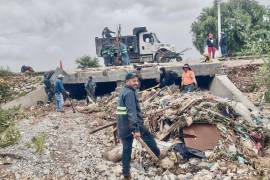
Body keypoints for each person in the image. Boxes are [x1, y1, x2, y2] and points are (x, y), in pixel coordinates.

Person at [117, 72, 162, 179]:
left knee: (127, 149)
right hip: (134, 125)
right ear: (127, 81)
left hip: (123, 126)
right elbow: (131, 112)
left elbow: (123, 111)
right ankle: (159, 156)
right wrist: (136, 129)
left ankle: (126, 173)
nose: (136, 83)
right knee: (150, 139)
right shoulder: (129, 93)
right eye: (133, 81)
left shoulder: (123, 91)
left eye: (137, 81)